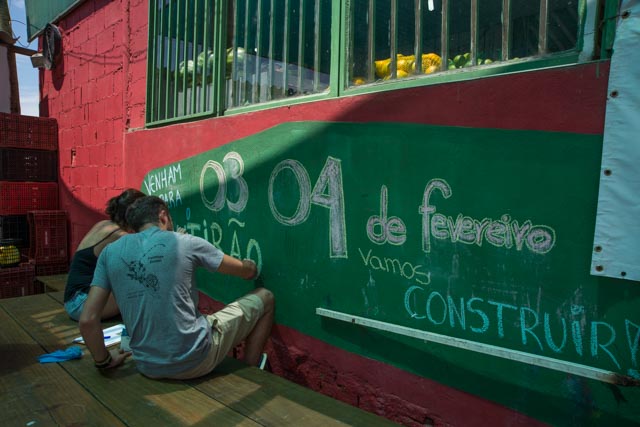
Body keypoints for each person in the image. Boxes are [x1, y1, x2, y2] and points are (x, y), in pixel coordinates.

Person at [79, 195, 274, 379]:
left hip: (147, 366)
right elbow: (245, 272)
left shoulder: (110, 252)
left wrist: (104, 361)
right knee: (265, 297)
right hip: (195, 361)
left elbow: (87, 320)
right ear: (163, 216)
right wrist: (250, 265)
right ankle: (251, 371)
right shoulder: (186, 243)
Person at [64, 189, 146, 321]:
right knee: (143, 285)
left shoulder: (103, 225)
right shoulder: (119, 235)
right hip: (82, 304)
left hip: (73, 300)